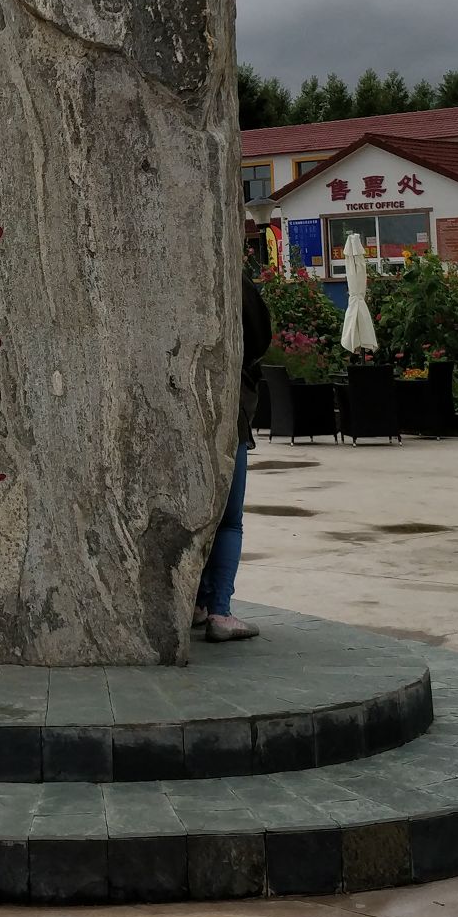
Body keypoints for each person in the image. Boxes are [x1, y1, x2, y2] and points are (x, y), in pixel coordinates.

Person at [195, 248, 274, 644]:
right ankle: (219, 610)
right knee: (228, 519)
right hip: (227, 408)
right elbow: (259, 334)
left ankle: (196, 601)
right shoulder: (226, 275)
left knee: (197, 513)